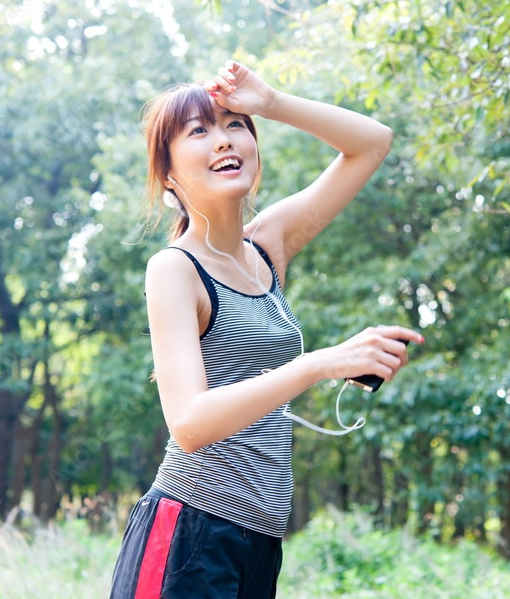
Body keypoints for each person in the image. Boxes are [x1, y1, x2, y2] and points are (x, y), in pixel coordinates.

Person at [108, 59, 423, 599]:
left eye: (236, 125)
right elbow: (188, 423)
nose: (225, 140)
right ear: (168, 176)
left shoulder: (268, 246)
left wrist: (271, 102)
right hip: (189, 531)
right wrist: (320, 363)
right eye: (199, 130)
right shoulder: (175, 270)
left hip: (258, 540)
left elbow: (372, 142)